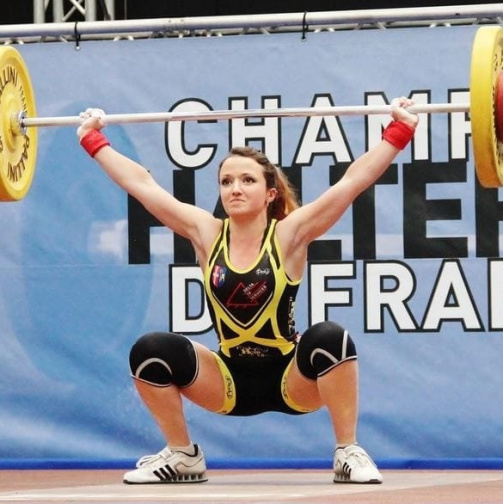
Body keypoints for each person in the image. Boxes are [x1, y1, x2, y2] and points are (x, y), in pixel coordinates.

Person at [77, 97, 418, 485]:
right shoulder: (206, 234)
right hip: (227, 381)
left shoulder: (290, 235)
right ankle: (183, 455)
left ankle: (347, 451)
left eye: (247, 180)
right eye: (226, 181)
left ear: (270, 193)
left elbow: (351, 183)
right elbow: (142, 185)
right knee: (150, 351)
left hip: (292, 380)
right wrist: (94, 141)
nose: (234, 188)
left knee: (330, 338)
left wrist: (400, 131)